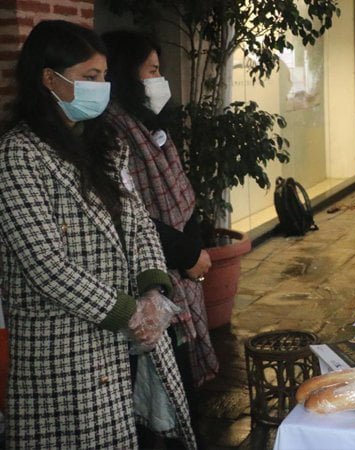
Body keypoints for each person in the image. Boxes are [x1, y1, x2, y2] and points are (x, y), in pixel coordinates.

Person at [0, 20, 196, 448]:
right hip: (64, 348)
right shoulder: (18, 154)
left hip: (125, 338)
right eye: (90, 77)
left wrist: (152, 290)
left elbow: (139, 221)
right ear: (49, 78)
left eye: (104, 76)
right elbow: (46, 266)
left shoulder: (105, 144)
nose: (101, 88)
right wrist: (129, 312)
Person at [101, 29, 219, 440]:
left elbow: (179, 196)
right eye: (151, 70)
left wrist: (190, 250)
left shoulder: (145, 125)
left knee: (178, 392)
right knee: (161, 397)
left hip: (175, 272)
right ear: (126, 73)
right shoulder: (112, 132)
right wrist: (186, 255)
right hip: (150, 281)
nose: (159, 80)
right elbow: (129, 213)